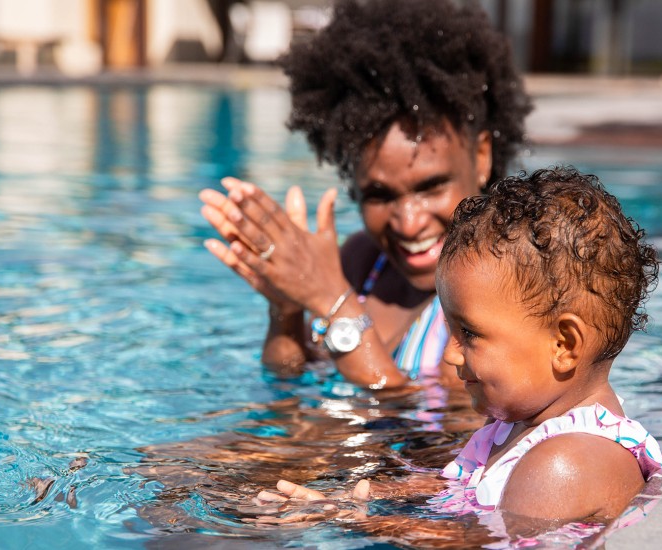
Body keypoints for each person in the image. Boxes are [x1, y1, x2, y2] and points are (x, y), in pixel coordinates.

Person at [253, 166, 662, 529]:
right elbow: (457, 484)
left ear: (563, 344)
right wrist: (354, 497)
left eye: (469, 334)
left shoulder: (566, 463)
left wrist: (365, 523)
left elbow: (480, 544)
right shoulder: (519, 428)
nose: (451, 354)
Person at [199, 0, 532, 389]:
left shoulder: (497, 282)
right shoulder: (364, 264)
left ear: (480, 157)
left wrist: (332, 301)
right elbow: (289, 380)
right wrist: (286, 308)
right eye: (379, 194)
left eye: (431, 186)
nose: (409, 221)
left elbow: (447, 436)